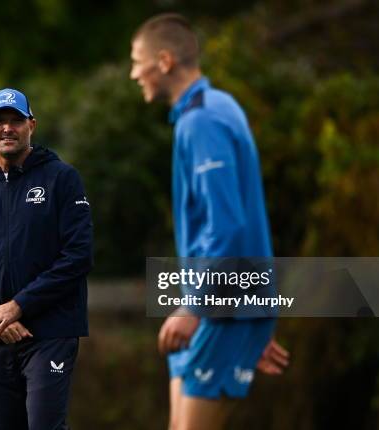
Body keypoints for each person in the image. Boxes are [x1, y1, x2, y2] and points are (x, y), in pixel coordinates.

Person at [130, 14, 289, 430]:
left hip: (217, 303)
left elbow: (228, 226)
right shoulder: (215, 106)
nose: (133, 74)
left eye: (137, 62)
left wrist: (193, 307)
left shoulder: (203, 120)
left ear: (163, 61)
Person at [0, 88, 93, 430]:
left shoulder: (62, 179)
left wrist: (20, 305)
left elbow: (78, 255)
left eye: (16, 120)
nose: (7, 129)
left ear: (32, 125)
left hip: (51, 331)